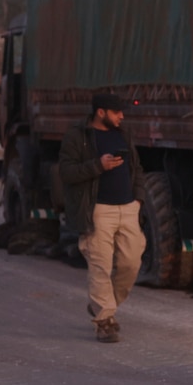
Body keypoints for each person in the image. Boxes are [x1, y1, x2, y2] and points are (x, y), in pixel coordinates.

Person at [58, 93, 146, 343]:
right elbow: (66, 172)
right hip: (98, 211)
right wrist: (98, 165)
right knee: (100, 266)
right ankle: (105, 321)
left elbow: (137, 168)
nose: (122, 116)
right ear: (101, 112)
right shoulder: (78, 136)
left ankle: (103, 304)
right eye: (117, 112)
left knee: (131, 263)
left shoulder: (123, 134)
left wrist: (138, 200)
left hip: (128, 209)